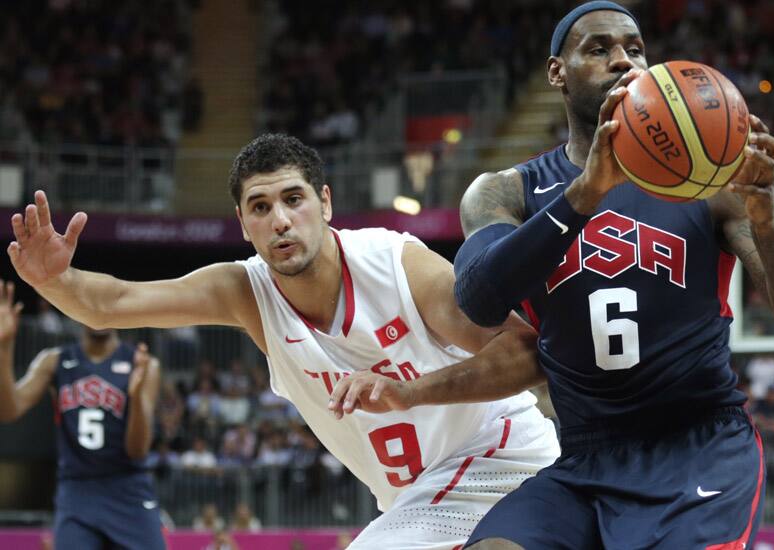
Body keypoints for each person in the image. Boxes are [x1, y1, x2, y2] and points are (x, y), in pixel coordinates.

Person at [335, 2, 774, 548]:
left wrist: (767, 220)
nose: (624, 61)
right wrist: (585, 193)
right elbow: (479, 299)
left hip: (697, 444)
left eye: (635, 49)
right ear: (558, 72)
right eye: (599, 49)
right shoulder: (505, 192)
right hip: (584, 458)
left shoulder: (708, 186)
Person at [7, 133, 559, 550]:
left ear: (325, 202)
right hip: (418, 496)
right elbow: (114, 304)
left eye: (293, 199)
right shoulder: (244, 292)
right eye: (260, 207)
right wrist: (54, 279)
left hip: (498, 455)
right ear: (243, 223)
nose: (280, 221)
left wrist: (412, 393)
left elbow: (522, 350)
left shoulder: (395, 264)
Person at [0, 282, 164, 549]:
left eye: (105, 301)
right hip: (77, 489)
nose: (98, 310)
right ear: (74, 309)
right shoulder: (53, 360)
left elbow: (138, 450)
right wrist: (4, 347)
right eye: (89, 302)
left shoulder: (143, 364)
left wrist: (133, 397)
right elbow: (9, 409)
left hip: (127, 487)